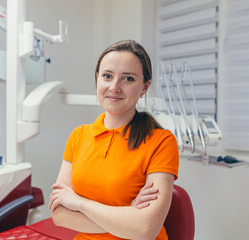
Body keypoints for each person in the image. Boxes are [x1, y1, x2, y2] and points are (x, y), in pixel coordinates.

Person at [49, 40, 179, 240]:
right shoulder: (78, 136)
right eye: (107, 76)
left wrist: (79, 203)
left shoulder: (161, 142)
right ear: (97, 79)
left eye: (128, 79)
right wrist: (128, 214)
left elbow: (146, 229)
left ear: (145, 87)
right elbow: (59, 215)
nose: (115, 87)